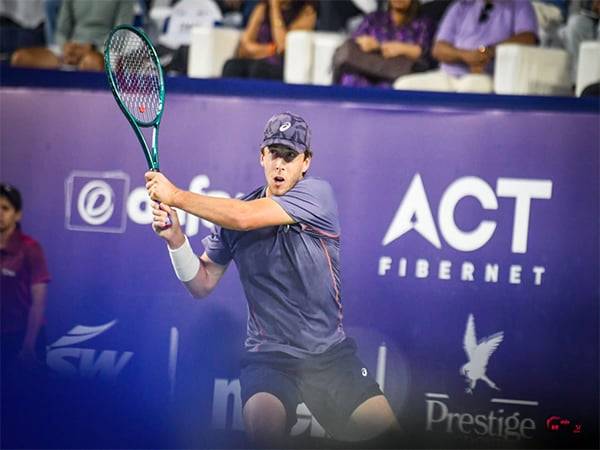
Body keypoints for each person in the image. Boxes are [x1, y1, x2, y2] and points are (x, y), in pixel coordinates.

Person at [145, 112, 401, 447]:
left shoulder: (317, 196)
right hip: (269, 357)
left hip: (328, 355)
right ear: (262, 156)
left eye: (290, 157)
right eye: (274, 154)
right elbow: (202, 283)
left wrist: (175, 195)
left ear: (305, 163)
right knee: (265, 431)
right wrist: (176, 240)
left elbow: (243, 217)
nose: (280, 165)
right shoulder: (233, 219)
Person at [393, 0, 538, 93]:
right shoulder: (461, 6)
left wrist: (489, 51)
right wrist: (466, 56)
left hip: (489, 76)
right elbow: (438, 49)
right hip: (449, 75)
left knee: (471, 88)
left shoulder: (519, 4)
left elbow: (528, 38)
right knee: (403, 86)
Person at [0, 183, 51, 447]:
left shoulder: (30, 249)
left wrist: (28, 347)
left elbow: (38, 304)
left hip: (22, 340)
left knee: (23, 416)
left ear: (17, 214)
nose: (0, 214)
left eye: (5, 208)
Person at [10, 0, 135, 71]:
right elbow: (61, 31)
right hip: (72, 48)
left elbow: (121, 34)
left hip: (103, 50)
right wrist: (65, 47)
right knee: (20, 58)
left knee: (90, 63)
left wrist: (92, 48)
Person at [336, 0, 434, 88]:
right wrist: (373, 45)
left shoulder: (423, 23)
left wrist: (400, 48)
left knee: (392, 86)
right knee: (350, 78)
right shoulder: (374, 18)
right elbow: (356, 41)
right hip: (369, 68)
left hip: (399, 73)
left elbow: (423, 51)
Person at [221, 0, 317, 80]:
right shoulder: (262, 7)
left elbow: (283, 45)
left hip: (283, 65)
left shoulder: (307, 11)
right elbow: (244, 47)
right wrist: (272, 49)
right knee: (232, 66)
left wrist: (275, 8)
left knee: (259, 69)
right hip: (258, 59)